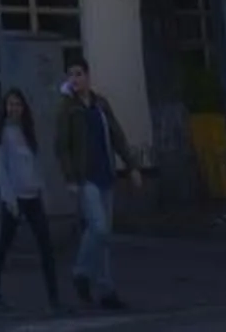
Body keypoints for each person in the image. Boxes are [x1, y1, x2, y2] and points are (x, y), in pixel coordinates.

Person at [56, 54, 139, 313]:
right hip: (85, 177)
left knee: (104, 237)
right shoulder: (67, 108)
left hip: (106, 174)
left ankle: (107, 289)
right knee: (99, 228)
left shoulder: (100, 104)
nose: (75, 79)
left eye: (79, 73)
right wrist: (70, 177)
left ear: (88, 76)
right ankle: (81, 272)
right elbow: (62, 145)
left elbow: (116, 134)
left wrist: (132, 166)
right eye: (71, 74)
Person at [0, 86, 61, 315]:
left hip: (33, 197)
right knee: (4, 245)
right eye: (10, 104)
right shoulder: (0, 132)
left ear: (23, 107)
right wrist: (10, 200)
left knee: (46, 247)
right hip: (14, 199)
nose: (14, 108)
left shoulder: (27, 131)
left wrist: (42, 191)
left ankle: (54, 299)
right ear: (4, 107)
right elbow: (1, 169)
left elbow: (34, 163)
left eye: (18, 104)